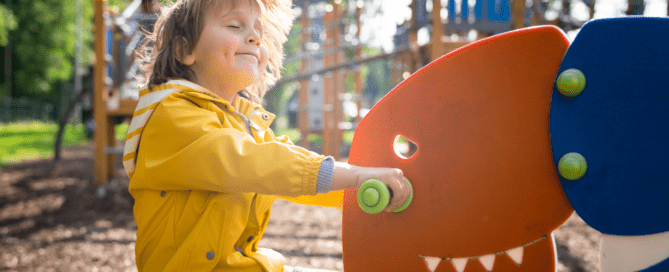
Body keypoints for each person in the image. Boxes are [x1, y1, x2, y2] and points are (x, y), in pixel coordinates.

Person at [122, 0, 411, 271]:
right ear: (185, 49)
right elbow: (258, 163)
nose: (254, 38)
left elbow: (292, 169)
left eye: (258, 31)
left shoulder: (240, 120)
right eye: (235, 26)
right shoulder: (171, 118)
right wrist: (357, 176)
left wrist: (369, 185)